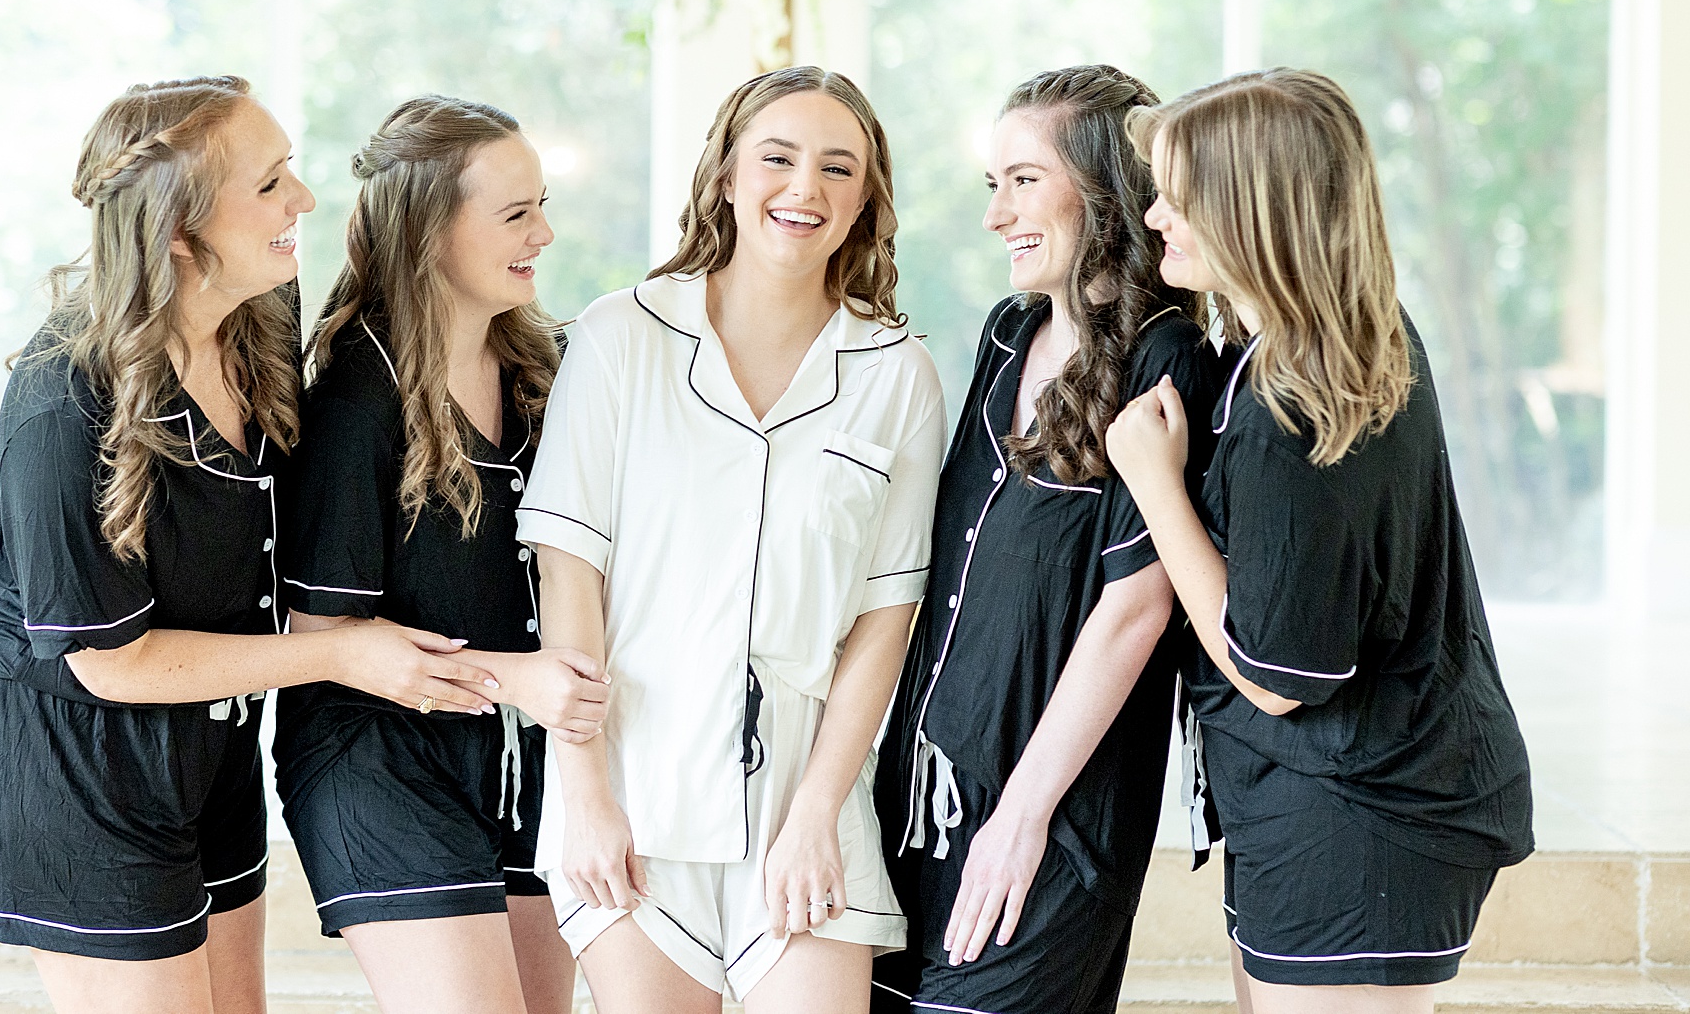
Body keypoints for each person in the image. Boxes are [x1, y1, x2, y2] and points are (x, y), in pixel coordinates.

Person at [0, 76, 499, 1014]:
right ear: (179, 229)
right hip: (76, 764)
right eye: (272, 182)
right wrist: (341, 652)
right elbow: (108, 664)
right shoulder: (61, 404)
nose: (307, 202)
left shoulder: (259, 322)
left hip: (213, 746)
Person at [517, 66, 946, 1013]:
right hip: (633, 791)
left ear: (867, 200)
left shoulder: (897, 373)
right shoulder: (620, 336)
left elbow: (886, 617)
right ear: (725, 175)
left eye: (839, 168)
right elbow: (570, 573)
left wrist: (818, 814)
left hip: (806, 803)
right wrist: (584, 793)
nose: (806, 189)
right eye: (778, 159)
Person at [1106, 69, 1535, 1014]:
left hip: (1363, 819)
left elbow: (1277, 673)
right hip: (1343, 805)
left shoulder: (1290, 404)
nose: (1156, 214)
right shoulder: (1353, 339)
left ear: (1249, 209)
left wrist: (1153, 483)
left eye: (1180, 193)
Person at [870, 65, 1228, 1014]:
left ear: (1106, 187)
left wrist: (1020, 818)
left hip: (1048, 821)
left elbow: (1138, 607)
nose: (998, 215)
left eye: (1023, 180)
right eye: (996, 184)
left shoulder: (1169, 358)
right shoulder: (1007, 331)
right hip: (918, 800)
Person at [274, 95, 611, 1014]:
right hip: (379, 758)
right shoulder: (359, 398)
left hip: (516, 756)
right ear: (428, 231)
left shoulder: (541, 372)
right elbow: (325, 631)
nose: (544, 231)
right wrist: (522, 681)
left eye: (542, 204)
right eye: (515, 213)